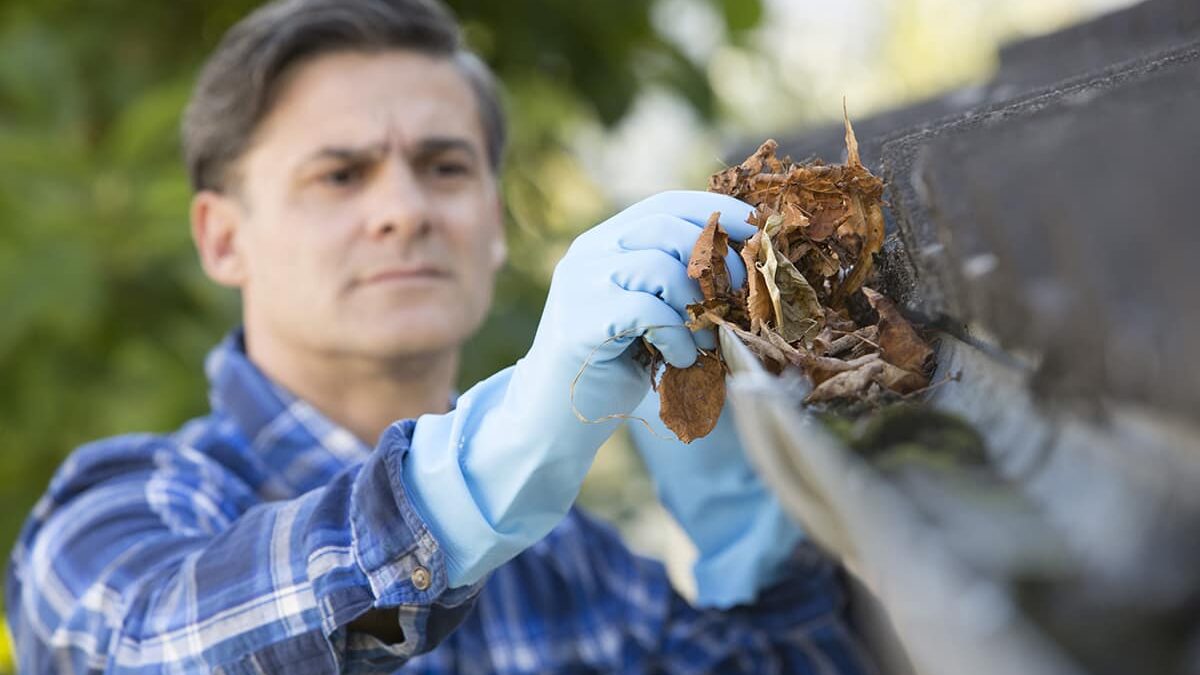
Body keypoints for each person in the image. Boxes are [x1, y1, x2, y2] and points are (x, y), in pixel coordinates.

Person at [5, 0, 874, 672]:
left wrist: (753, 551)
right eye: (339, 174)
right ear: (222, 236)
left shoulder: (580, 566)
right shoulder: (116, 517)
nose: (405, 211)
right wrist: (475, 483)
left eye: (444, 166)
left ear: (492, 224)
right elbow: (139, 645)